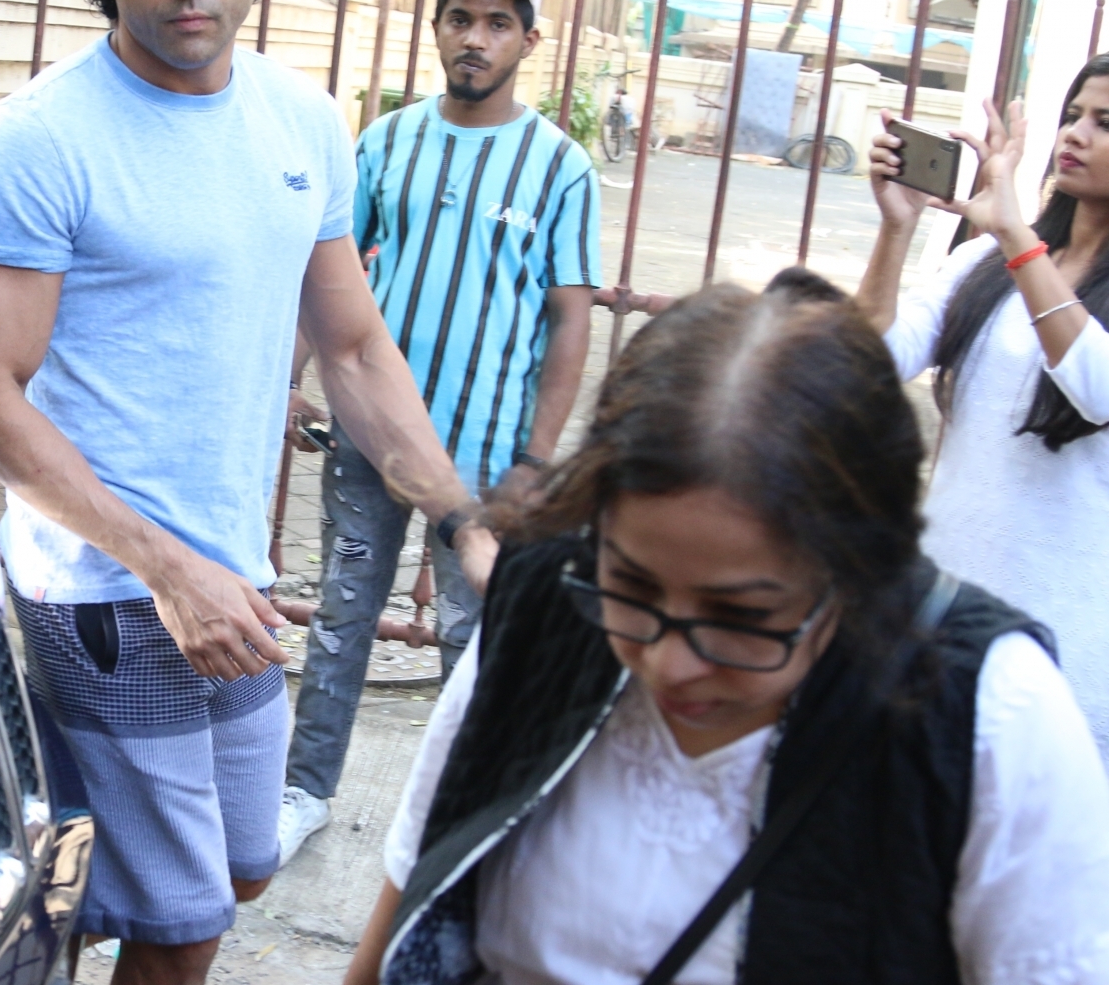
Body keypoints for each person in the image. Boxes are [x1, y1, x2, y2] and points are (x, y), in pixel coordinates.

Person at [0, 0, 495, 985]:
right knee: (186, 919)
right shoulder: (41, 142)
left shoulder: (301, 124)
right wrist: (163, 566)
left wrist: (460, 517)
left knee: (243, 863)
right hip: (103, 578)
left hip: (228, 573)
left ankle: (44, 882)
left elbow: (351, 348)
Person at [343, 271, 1109, 985]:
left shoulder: (988, 713)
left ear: (857, 570)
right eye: (633, 587)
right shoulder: (549, 597)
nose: (671, 665)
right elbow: (418, 879)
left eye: (743, 617)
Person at [278, 0, 600, 865]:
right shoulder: (385, 142)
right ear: (436, 28)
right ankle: (304, 791)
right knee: (344, 616)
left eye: (498, 22)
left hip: (487, 462)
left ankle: (457, 817)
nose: (476, 38)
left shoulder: (559, 168)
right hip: (371, 437)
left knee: (470, 636)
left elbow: (569, 322)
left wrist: (537, 460)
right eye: (461, 17)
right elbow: (331, 276)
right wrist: (289, 377)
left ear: (529, 40)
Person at [857, 64, 1109, 756]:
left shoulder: (1014, 251)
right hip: (944, 618)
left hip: (1072, 649)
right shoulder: (988, 264)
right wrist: (896, 228)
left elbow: (1098, 387)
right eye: (1074, 113)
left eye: (1104, 123)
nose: (1076, 135)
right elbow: (872, 360)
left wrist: (1016, 238)